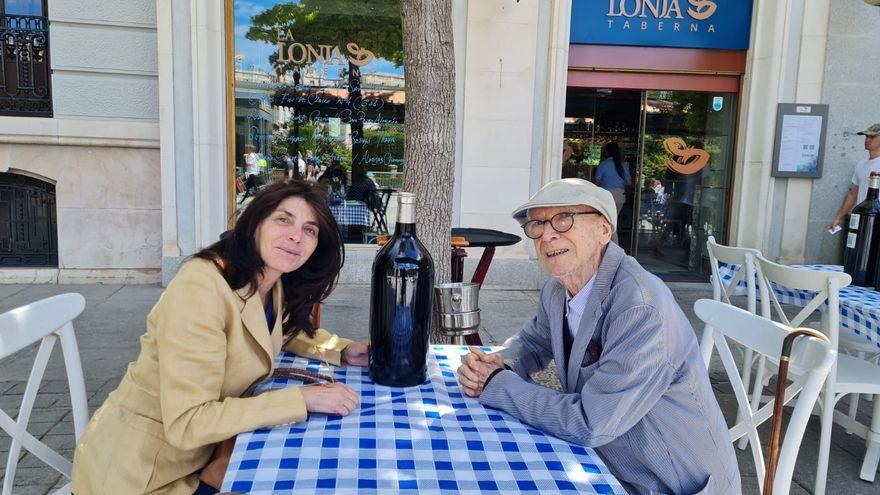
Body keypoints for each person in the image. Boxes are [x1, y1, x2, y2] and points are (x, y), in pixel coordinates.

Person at [71, 181, 369, 494]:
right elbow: (188, 423)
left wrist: (343, 350)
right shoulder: (201, 287)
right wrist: (303, 398)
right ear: (254, 223)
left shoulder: (271, 281)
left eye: (310, 229)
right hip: (145, 473)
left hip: (208, 455)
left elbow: (278, 328)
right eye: (283, 220)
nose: (296, 235)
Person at [456, 178, 740, 495]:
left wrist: (498, 384)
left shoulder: (640, 306)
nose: (547, 234)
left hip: (668, 483)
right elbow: (533, 342)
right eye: (537, 224)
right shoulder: (558, 288)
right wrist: (497, 363)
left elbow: (592, 422)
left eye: (564, 219)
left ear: (604, 230)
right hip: (608, 462)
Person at [828, 123, 880, 230]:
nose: (867, 140)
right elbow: (852, 194)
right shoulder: (861, 165)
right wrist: (839, 218)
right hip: (861, 220)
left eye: (872, 136)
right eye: (866, 136)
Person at [594, 142, 631, 243]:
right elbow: (629, 183)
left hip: (607, 196)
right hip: (620, 196)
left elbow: (596, 183)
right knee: (612, 220)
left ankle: (613, 247)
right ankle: (611, 245)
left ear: (607, 152)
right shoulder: (623, 165)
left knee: (608, 221)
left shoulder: (604, 164)